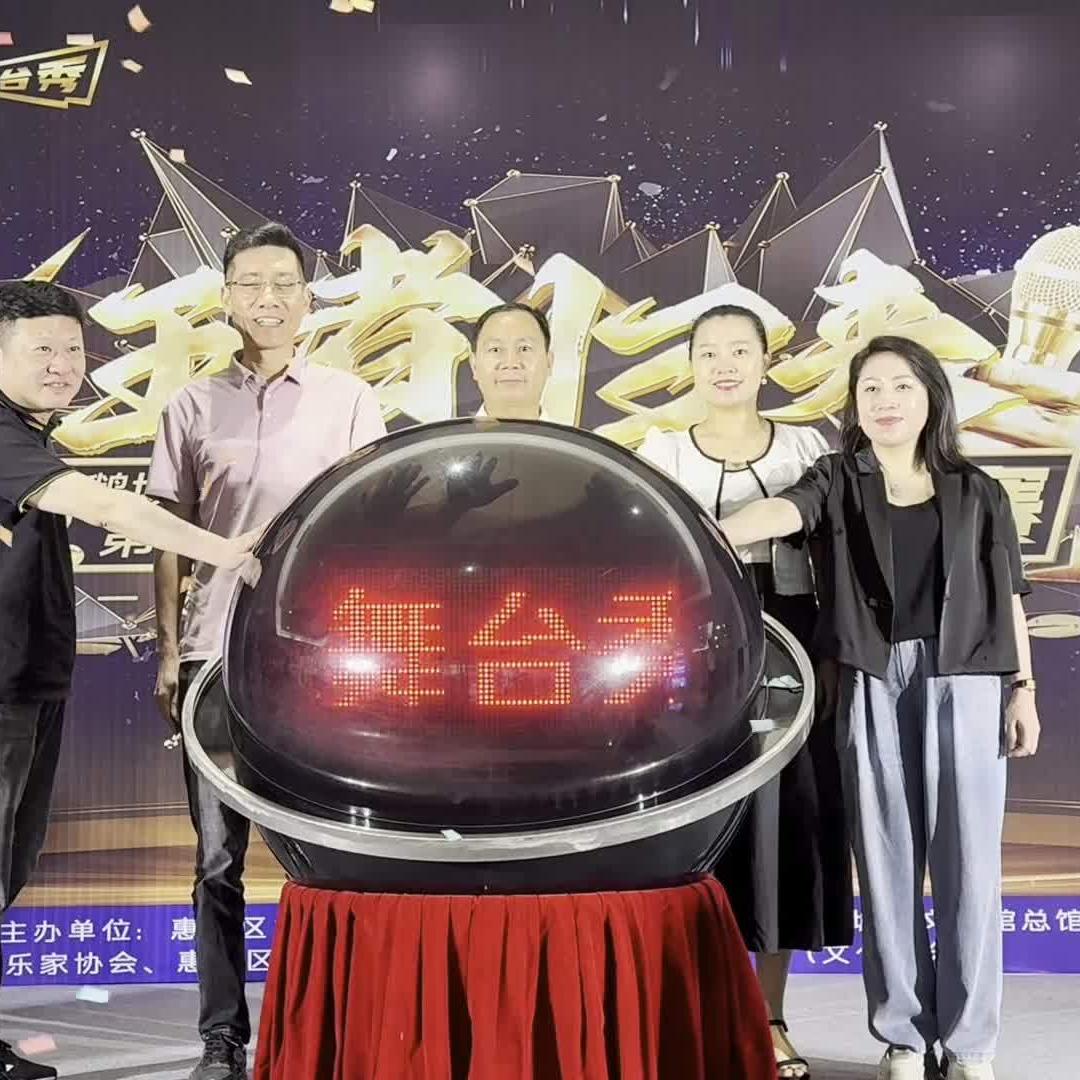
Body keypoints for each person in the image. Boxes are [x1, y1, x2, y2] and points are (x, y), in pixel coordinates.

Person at [719, 335, 1039, 1080]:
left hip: (970, 679)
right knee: (887, 862)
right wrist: (710, 530)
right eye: (871, 389)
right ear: (856, 405)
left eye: (901, 386)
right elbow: (783, 513)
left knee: (969, 866)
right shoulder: (837, 477)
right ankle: (903, 1037)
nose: (886, 401)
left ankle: (970, 1045)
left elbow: (1010, 596)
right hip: (870, 678)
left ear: (931, 397)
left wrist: (1022, 690)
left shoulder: (978, 490)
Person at [0, 280, 259, 1080]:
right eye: (40, 349)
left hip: (30, 685)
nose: (61, 364)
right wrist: (226, 552)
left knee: (10, 862)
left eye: (72, 349)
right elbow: (110, 509)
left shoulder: (30, 435)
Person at [148, 222, 386, 1080]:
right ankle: (223, 1038)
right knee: (217, 860)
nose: (268, 299)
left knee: (330, 855)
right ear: (226, 298)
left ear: (308, 298)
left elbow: (374, 523)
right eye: (250, 283)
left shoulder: (349, 399)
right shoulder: (190, 405)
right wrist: (169, 652)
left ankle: (335, 1031)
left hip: (321, 667)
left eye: (284, 283)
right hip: (215, 660)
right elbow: (167, 538)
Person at [638, 304, 852, 1080]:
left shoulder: (807, 446)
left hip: (794, 647)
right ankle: (690, 1017)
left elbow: (840, 556)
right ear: (689, 366)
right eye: (708, 352)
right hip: (693, 655)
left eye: (739, 351)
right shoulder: (661, 451)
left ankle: (770, 1017)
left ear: (766, 363)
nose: (724, 365)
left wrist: (833, 656)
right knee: (698, 831)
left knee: (783, 829)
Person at [470, 302, 555, 420]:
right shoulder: (448, 433)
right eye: (495, 349)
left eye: (524, 348)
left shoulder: (572, 433)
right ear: (474, 366)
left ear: (549, 363)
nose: (511, 363)